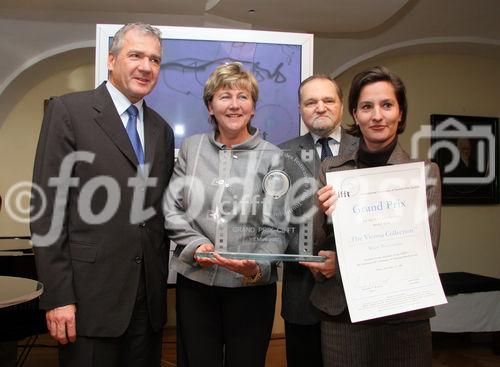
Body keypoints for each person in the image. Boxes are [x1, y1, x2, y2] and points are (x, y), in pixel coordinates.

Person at [30, 23, 174, 367]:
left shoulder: (162, 130)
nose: (146, 66)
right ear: (111, 60)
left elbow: (160, 212)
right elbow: (47, 209)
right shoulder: (69, 112)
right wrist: (58, 296)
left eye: (154, 59)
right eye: (135, 55)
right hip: (87, 301)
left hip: (147, 305)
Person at [311, 66, 441, 367]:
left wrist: (339, 263)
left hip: (404, 317)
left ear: (400, 112)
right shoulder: (331, 170)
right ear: (355, 114)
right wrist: (318, 213)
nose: (377, 115)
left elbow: (426, 249)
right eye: (367, 107)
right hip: (342, 315)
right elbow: (315, 246)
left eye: (386, 105)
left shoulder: (424, 173)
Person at [163, 62, 286, 367]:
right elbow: (172, 208)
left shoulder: (273, 156)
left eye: (243, 97)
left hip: (251, 290)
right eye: (224, 96)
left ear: (253, 107)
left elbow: (277, 228)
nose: (234, 105)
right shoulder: (192, 149)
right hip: (196, 284)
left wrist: (255, 266)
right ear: (210, 106)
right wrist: (195, 244)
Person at [278, 75, 358, 367]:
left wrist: (343, 259)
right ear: (300, 108)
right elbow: (274, 221)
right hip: (302, 293)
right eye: (311, 102)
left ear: (341, 106)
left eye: (328, 100)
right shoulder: (281, 155)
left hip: (355, 294)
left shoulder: (366, 150)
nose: (320, 107)